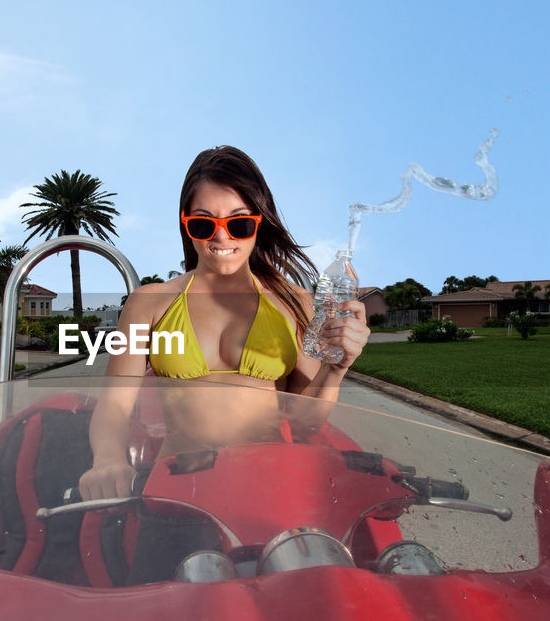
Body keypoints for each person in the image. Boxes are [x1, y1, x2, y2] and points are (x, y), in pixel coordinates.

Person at [78, 146, 370, 501]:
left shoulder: (295, 304)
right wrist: (108, 460)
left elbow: (305, 423)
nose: (222, 237)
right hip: (178, 491)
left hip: (271, 487)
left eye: (239, 223)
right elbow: (114, 405)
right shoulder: (148, 304)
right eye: (204, 223)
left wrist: (336, 369)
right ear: (187, 224)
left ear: (258, 222)